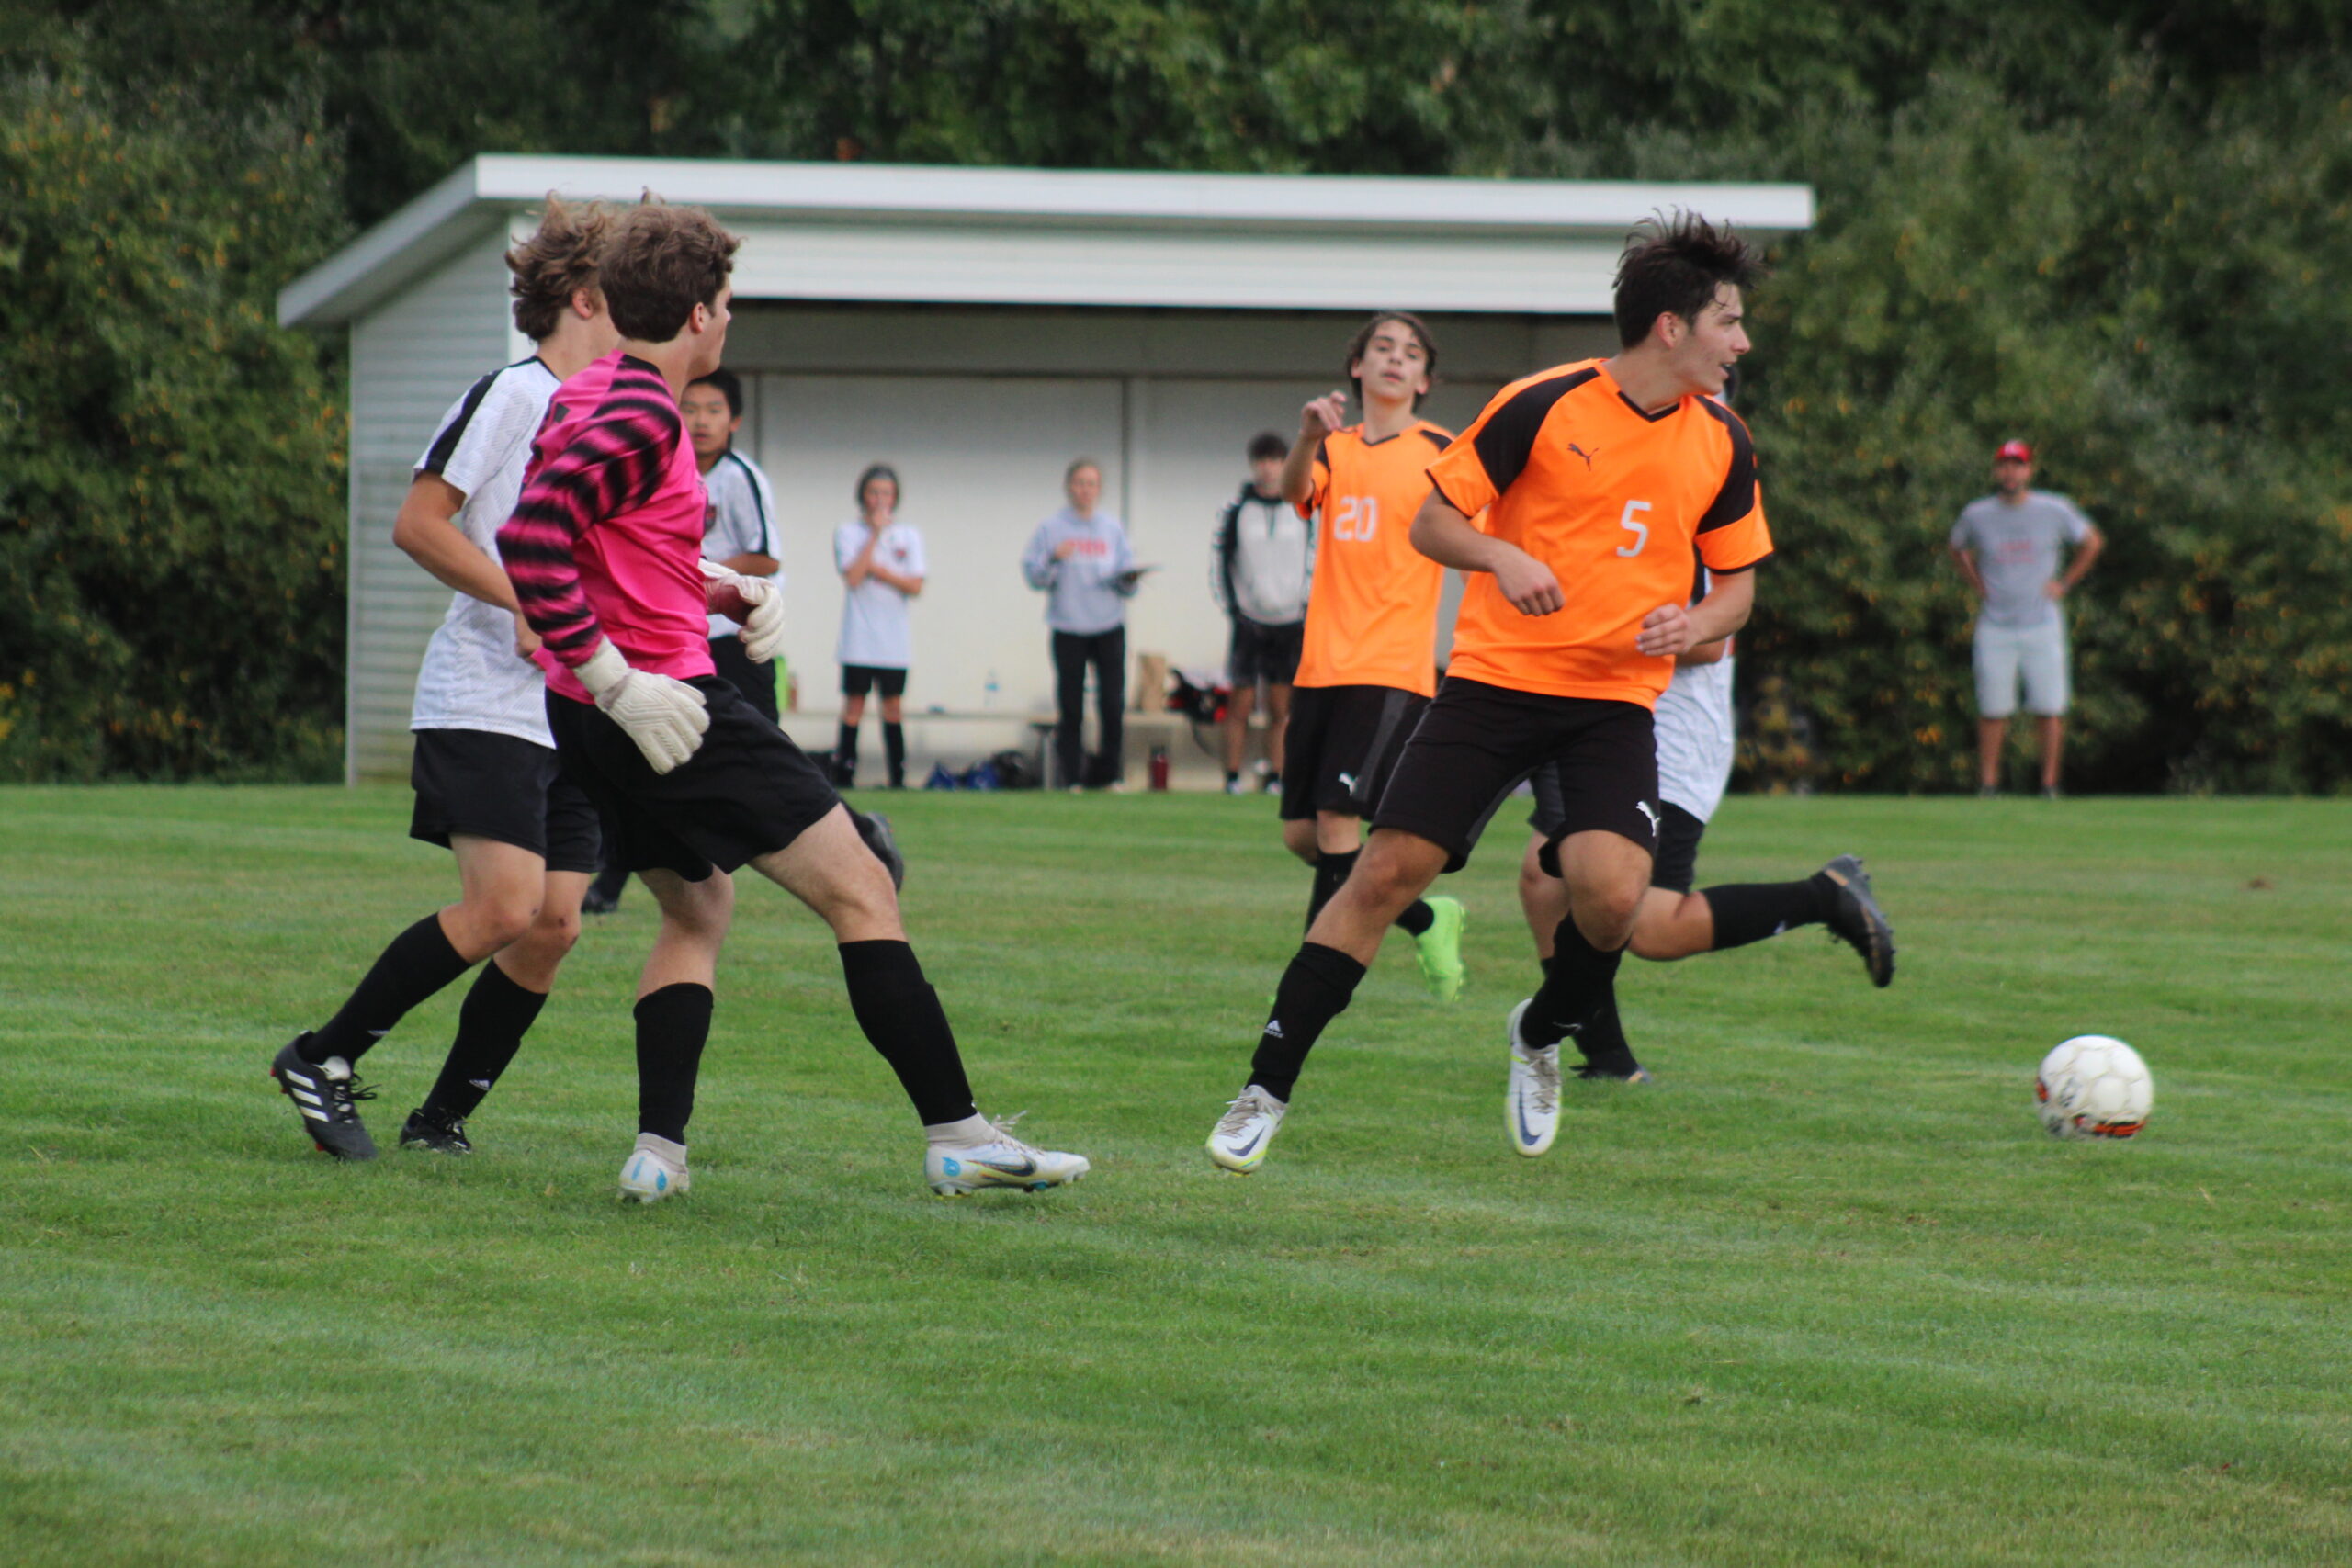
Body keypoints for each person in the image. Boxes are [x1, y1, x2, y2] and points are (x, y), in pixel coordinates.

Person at [498, 199, 1087, 1201]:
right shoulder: (646, 413)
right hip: (663, 709)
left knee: (699, 908)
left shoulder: (590, 391)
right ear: (698, 314)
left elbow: (608, 546)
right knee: (864, 886)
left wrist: (719, 589)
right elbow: (531, 542)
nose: (730, 318)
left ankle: (658, 1154)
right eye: (727, 302)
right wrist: (618, 677)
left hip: (593, 717)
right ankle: (957, 1136)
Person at [1207, 213, 1774, 1174]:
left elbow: (1738, 590)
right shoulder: (1541, 404)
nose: (1742, 342)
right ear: (1671, 328)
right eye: (1729, 320)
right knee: (1383, 875)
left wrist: (1695, 624)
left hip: (1612, 704)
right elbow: (1433, 524)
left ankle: (1538, 1033)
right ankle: (1263, 1089)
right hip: (1495, 684)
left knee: (1613, 898)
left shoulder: (1723, 439)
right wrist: (1501, 555)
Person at [268, 197, 618, 1160]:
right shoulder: (514, 395)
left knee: (553, 925)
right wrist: (527, 601)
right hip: (486, 698)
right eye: (625, 288)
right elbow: (420, 524)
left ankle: (439, 1120)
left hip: (570, 709)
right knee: (504, 906)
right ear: (585, 298)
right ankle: (320, 1057)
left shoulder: (616, 415)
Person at [1515, 577, 1895, 1087]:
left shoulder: (1682, 528)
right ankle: (1609, 1061)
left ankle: (1825, 896)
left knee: (1651, 926)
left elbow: (1709, 640)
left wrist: (1582, 628)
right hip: (1612, 722)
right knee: (1546, 883)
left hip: (1668, 741)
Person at [1269, 313, 1465, 1003]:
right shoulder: (1333, 446)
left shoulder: (1442, 451)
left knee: (1336, 821)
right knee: (1303, 834)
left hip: (1391, 667)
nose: (1395, 359)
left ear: (1425, 379)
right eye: (1382, 347)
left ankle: (1304, 995)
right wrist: (1306, 435)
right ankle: (1427, 917)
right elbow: (1294, 491)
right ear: (1357, 366)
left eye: (1410, 353)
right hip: (1322, 663)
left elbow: (1481, 528)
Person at [582, 366, 781, 914]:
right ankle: (609, 885)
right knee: (654, 755)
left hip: (733, 641)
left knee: (763, 758)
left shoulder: (742, 477)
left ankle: (854, 833)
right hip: (675, 641)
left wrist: (695, 575)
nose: (700, 421)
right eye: (690, 409)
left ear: (735, 420)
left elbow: (766, 556)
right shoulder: (660, 464)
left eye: (713, 410)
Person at [1949, 439, 2104, 797]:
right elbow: (1957, 547)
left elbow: (2091, 542)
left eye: (2017, 465)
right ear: (1995, 471)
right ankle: (1988, 784)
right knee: (1992, 708)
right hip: (1995, 623)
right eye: (2004, 465)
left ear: (2029, 471)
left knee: (2049, 708)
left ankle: (2049, 784)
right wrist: (1976, 583)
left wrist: (2064, 583)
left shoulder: (2054, 509)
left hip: (2042, 622)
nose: (2010, 473)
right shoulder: (1977, 514)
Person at [1022, 458, 1137, 790]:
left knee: (1111, 704)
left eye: (1091, 484)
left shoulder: (1112, 528)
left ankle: (1110, 775)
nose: (1085, 490)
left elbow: (1128, 581)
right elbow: (1034, 576)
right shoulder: (1050, 528)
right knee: (1070, 706)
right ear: (1068, 487)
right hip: (1068, 626)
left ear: (1099, 489)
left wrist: (1129, 579)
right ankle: (1071, 777)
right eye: (1079, 483)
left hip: (1109, 625)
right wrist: (1053, 558)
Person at [1211, 431, 1311, 794]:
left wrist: (1306, 604)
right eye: (1262, 461)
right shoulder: (1235, 509)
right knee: (1239, 704)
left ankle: (1275, 776)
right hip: (1249, 621)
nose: (1268, 468)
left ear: (1285, 464)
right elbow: (1220, 563)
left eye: (1274, 461)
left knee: (1280, 707)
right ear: (1253, 465)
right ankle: (1232, 777)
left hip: (1290, 620)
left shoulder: (1303, 507)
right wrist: (1234, 609)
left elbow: (1316, 557)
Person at [831, 463, 924, 789]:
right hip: (858, 638)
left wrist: (881, 572)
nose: (880, 499)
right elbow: (854, 577)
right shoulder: (848, 532)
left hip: (894, 641)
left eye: (886, 493)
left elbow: (915, 585)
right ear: (863, 495)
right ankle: (845, 774)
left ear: (895, 497)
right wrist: (874, 535)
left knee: (893, 706)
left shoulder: (909, 535)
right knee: (854, 704)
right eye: (874, 492)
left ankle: (897, 777)